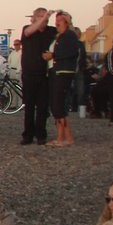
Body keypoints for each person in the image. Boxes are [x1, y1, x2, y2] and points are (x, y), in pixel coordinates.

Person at [20, 7, 57, 145]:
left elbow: (66, 34)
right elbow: (29, 32)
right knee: (29, 107)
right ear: (34, 18)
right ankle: (28, 135)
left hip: (44, 74)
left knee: (42, 107)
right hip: (29, 74)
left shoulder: (51, 31)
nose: (44, 18)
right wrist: (43, 17)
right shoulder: (27, 29)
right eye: (41, 16)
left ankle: (41, 134)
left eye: (46, 16)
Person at [46, 10, 80, 148]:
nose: (56, 22)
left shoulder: (70, 35)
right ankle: (65, 136)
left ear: (66, 21)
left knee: (58, 104)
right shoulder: (59, 36)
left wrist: (53, 55)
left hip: (63, 72)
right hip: (55, 71)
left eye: (60, 20)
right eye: (56, 19)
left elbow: (72, 52)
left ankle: (63, 137)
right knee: (56, 104)